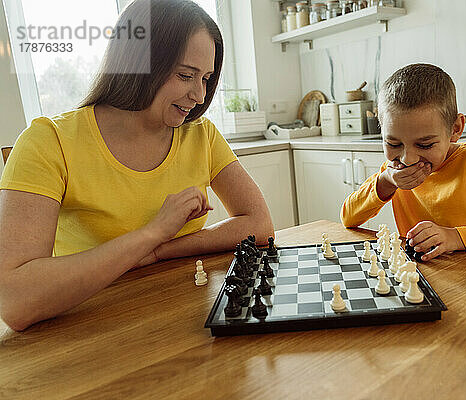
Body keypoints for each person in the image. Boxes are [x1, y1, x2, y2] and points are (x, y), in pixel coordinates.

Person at [0, 0, 273, 331]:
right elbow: (14, 302)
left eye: (207, 78)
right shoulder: (48, 141)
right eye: (186, 75)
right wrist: (153, 232)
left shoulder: (200, 135)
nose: (200, 95)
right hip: (90, 329)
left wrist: (162, 250)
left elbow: (259, 224)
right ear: (136, 64)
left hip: (188, 320)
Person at [341, 63, 466, 262]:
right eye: (393, 143)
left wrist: (456, 238)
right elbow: (348, 218)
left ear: (456, 129)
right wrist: (386, 181)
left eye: (425, 145)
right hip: (428, 278)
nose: (407, 159)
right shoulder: (394, 172)